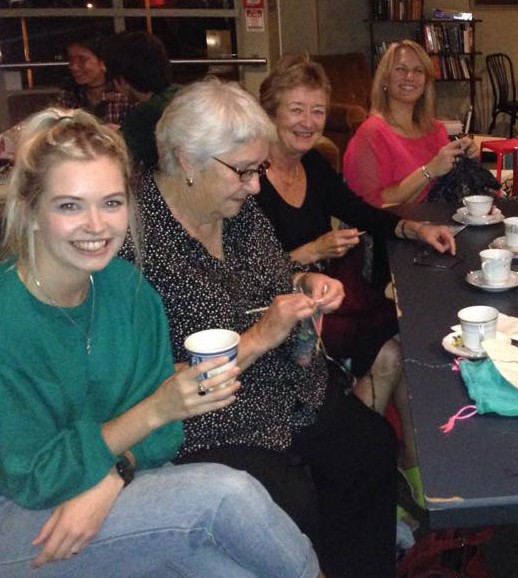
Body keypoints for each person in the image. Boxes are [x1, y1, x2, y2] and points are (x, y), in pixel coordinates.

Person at [0, 108, 321, 577]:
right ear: (29, 210)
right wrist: (153, 410)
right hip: (24, 515)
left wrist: (114, 476)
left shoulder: (128, 291)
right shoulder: (10, 318)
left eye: (111, 203)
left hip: (116, 486)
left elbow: (167, 438)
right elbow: (35, 477)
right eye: (69, 205)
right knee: (225, 495)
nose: (97, 224)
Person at [124, 78, 398, 578]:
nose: (255, 186)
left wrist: (306, 280)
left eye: (259, 169)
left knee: (371, 446)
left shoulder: (239, 212)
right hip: (209, 418)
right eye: (244, 171)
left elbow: (276, 275)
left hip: (288, 383)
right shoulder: (133, 241)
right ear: (187, 159)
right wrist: (257, 338)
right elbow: (145, 383)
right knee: (290, 499)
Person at [256, 53, 456, 472]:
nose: (308, 122)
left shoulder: (312, 164)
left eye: (317, 111)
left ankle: (404, 462)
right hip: (282, 308)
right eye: (296, 110)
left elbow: (362, 210)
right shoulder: (249, 177)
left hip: (333, 293)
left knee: (403, 339)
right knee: (392, 349)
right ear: (270, 111)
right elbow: (242, 271)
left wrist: (415, 230)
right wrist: (310, 252)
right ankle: (369, 463)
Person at [343, 39, 477, 207]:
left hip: (437, 223)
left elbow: (452, 183)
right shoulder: (370, 133)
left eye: (418, 71)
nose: (409, 77)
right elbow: (369, 205)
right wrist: (429, 170)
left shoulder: (435, 130)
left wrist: (466, 155)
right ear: (384, 79)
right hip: (391, 229)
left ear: (425, 83)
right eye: (400, 69)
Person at [102, 31, 179, 171]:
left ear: (122, 80)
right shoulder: (182, 94)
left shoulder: (145, 115)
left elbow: (121, 158)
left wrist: (116, 135)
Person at [56, 35, 130, 126]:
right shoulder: (69, 94)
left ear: (102, 61)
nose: (74, 67)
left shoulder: (123, 94)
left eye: (82, 60)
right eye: (70, 60)